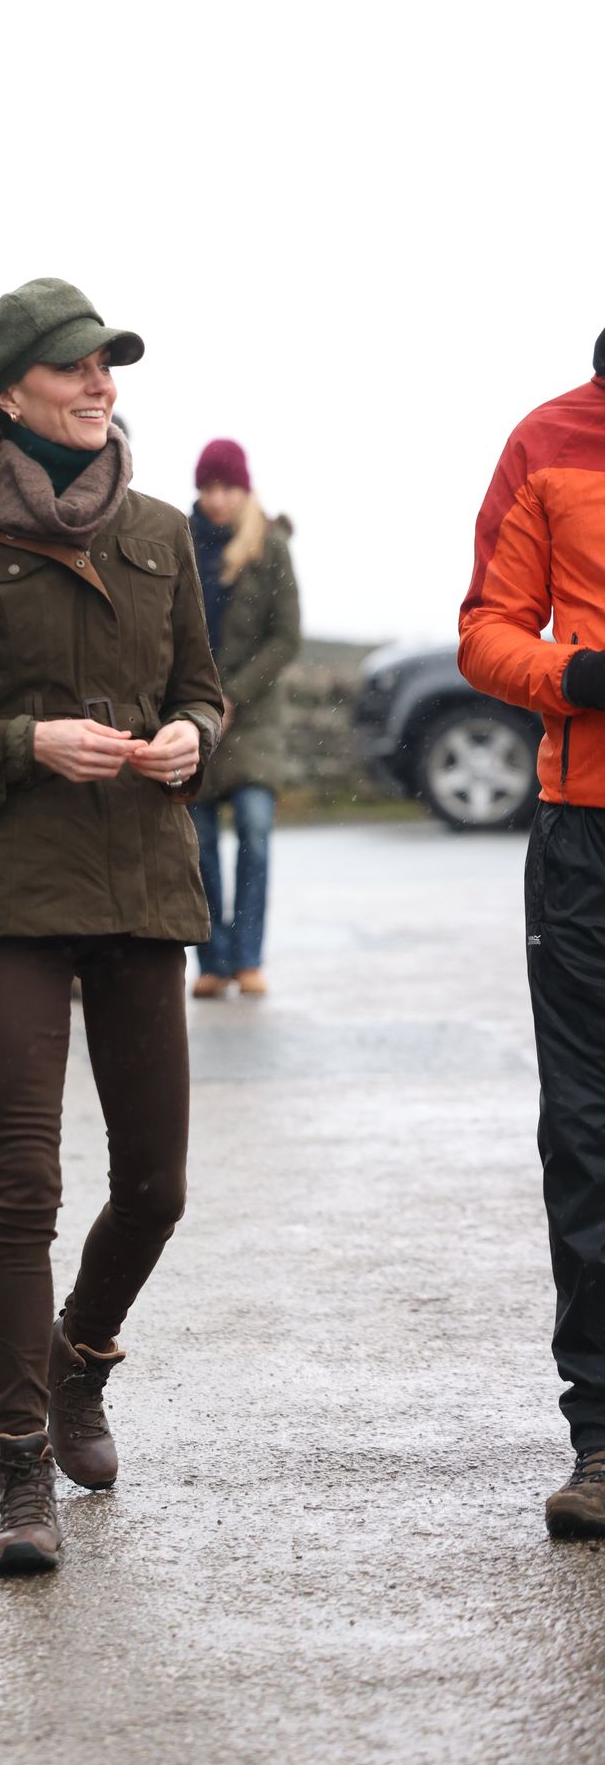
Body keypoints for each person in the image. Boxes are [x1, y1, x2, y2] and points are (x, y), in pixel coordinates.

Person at [0, 278, 223, 1575]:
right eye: (75, 367)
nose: (100, 383)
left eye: (108, 366)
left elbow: (204, 693)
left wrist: (194, 737)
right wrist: (23, 740)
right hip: (13, 889)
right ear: (11, 393)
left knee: (158, 1187)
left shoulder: (164, 532)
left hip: (141, 883)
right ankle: (21, 1471)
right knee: (27, 1186)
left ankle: (82, 1361)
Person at [459, 325, 605, 1538]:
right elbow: (486, 631)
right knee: (591, 1133)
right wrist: (577, 676)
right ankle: (603, 1439)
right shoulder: (549, 441)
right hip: (586, 844)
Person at [187, 440, 300, 997]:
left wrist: (233, 696)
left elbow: (286, 637)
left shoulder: (271, 547)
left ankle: (249, 958)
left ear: (245, 488)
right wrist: (198, 701)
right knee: (199, 842)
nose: (216, 499)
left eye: (227, 487)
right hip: (191, 713)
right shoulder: (178, 540)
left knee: (255, 828)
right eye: (207, 487)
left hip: (251, 720)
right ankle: (212, 961)